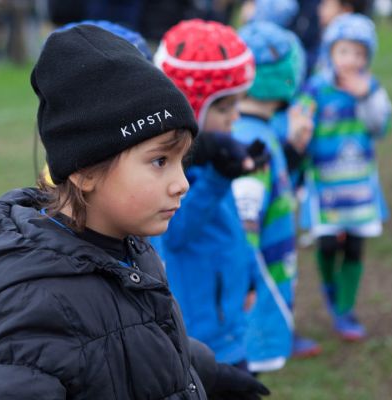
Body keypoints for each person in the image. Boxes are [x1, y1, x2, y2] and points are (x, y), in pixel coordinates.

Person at [0, 24, 270, 399]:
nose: (182, 183)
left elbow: (136, 334)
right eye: (160, 160)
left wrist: (204, 372)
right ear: (84, 171)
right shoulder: (36, 308)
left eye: (183, 161)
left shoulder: (128, 247)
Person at [153, 19, 269, 372]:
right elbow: (176, 234)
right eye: (223, 108)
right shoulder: (170, 171)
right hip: (200, 337)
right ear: (191, 106)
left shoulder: (216, 156)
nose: (235, 116)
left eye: (237, 104)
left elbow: (229, 226)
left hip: (229, 323)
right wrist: (218, 178)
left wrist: (249, 273)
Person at [231, 20, 321, 372]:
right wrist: (248, 282)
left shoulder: (261, 133)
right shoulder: (254, 143)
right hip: (255, 294)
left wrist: (295, 149)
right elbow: (245, 219)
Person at [297, 14, 392, 341]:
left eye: (359, 53)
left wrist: (366, 96)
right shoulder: (315, 88)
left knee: (354, 246)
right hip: (325, 187)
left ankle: (345, 309)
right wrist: (300, 130)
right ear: (330, 52)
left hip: (360, 187)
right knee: (326, 244)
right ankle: (330, 290)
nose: (352, 60)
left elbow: (381, 127)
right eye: (344, 52)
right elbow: (299, 128)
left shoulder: (371, 89)